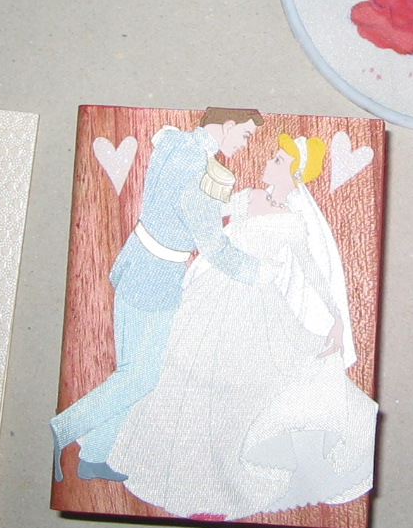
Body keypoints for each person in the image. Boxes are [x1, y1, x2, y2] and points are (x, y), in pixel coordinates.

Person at [107, 134, 378, 521]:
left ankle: (218, 479)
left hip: (257, 309)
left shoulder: (292, 222)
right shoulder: (247, 197)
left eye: (279, 160)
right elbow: (204, 216)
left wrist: (336, 316)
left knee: (236, 386)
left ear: (294, 174)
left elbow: (312, 270)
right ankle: (156, 462)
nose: (269, 163)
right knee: (179, 370)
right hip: (212, 293)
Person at [51, 108, 271, 483]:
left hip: (138, 263)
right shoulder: (198, 169)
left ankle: (94, 456)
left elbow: (178, 205)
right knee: (140, 377)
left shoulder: (175, 143)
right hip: (156, 277)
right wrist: (262, 274)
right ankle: (63, 430)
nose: (244, 144)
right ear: (228, 125)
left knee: (131, 371)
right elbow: (213, 246)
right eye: (245, 135)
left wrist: (233, 204)